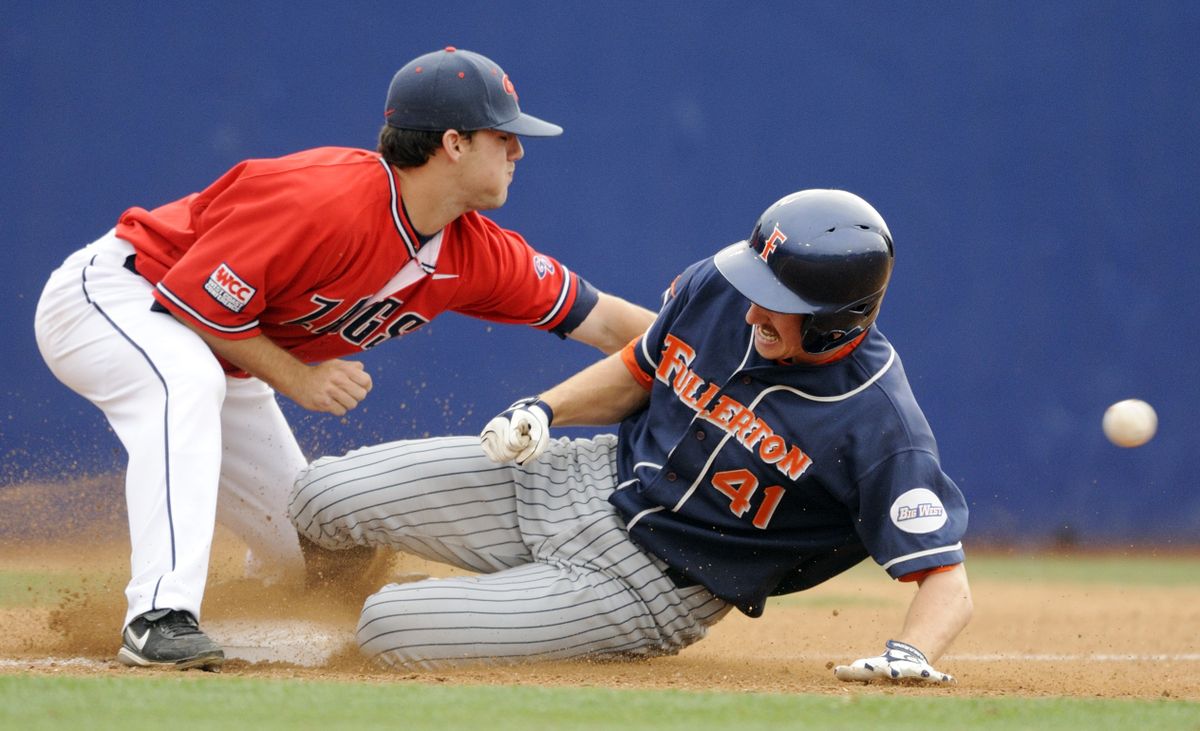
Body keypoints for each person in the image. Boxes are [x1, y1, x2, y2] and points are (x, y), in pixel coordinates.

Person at [33, 47, 654, 672]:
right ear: (454, 144)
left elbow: (607, 322)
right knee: (184, 382)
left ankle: (251, 605)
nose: (518, 151)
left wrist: (720, 351)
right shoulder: (322, 198)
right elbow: (194, 302)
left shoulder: (476, 252)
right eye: (504, 136)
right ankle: (157, 617)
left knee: (315, 545)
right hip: (119, 296)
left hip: (226, 347)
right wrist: (299, 378)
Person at [290, 189, 973, 683]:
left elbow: (946, 576)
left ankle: (493, 608)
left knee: (390, 628)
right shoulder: (722, 288)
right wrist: (544, 408)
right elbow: (644, 366)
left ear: (836, 322)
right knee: (319, 494)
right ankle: (481, 603)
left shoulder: (878, 421)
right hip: (574, 476)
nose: (755, 305)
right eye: (756, 282)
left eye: (782, 302)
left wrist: (909, 654)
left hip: (645, 585)